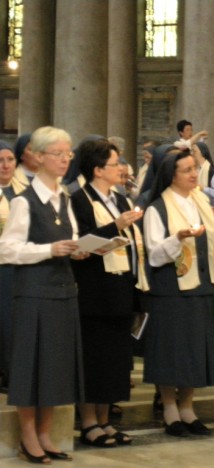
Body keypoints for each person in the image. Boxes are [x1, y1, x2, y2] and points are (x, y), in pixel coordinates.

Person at [0, 126, 88, 463]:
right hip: (33, 293)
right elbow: (7, 250)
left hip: (63, 291)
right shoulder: (24, 202)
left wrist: (78, 250)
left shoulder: (63, 198)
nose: (65, 159)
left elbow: (70, 238)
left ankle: (45, 434)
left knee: (54, 365)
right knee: (31, 366)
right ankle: (28, 436)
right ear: (38, 157)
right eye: (58, 153)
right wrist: (49, 249)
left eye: (68, 153)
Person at [143, 150, 214, 438]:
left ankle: (188, 407)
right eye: (186, 170)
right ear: (171, 175)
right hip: (171, 289)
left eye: (194, 168)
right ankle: (170, 408)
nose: (194, 174)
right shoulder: (157, 208)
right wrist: (177, 238)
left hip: (202, 287)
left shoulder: (201, 201)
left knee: (194, 350)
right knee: (172, 351)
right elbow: (154, 255)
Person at [70, 138, 147, 448]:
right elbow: (80, 246)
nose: (121, 169)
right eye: (115, 164)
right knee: (94, 359)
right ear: (98, 169)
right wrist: (115, 226)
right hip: (95, 292)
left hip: (121, 288)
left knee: (115, 361)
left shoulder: (121, 200)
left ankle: (105, 421)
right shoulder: (79, 200)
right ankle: (89, 422)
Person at [0, 141, 26, 388]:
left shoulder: (22, 193)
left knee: (13, 322)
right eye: (0, 160)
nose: (6, 165)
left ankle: (12, 372)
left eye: (10, 160)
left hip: (16, 266)